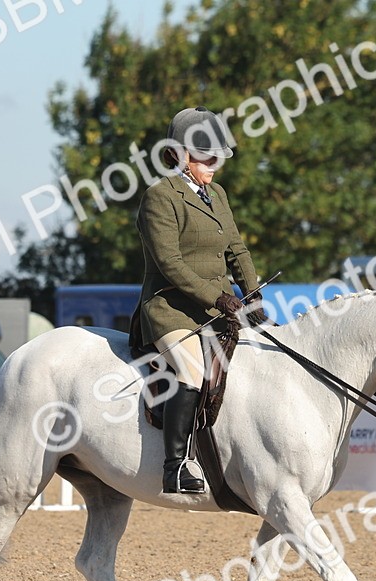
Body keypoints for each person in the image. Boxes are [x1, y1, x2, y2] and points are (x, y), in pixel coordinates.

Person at [131, 106, 268, 494]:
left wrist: (251, 293)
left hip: (216, 310)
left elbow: (236, 249)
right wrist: (219, 296)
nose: (213, 164)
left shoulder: (217, 195)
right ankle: (175, 465)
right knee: (192, 371)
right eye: (206, 156)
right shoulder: (159, 198)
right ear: (179, 154)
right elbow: (170, 263)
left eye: (217, 157)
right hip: (170, 310)